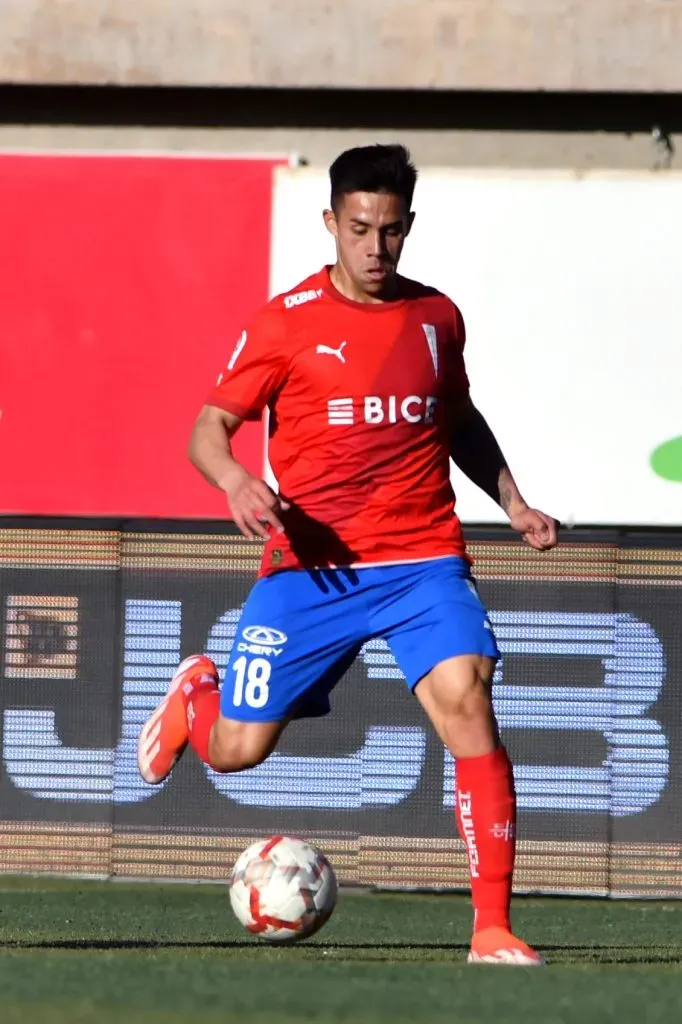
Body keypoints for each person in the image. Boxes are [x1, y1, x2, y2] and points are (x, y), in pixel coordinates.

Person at [137, 144, 558, 965]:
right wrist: (233, 481)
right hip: (311, 572)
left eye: (391, 231)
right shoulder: (286, 320)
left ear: (408, 229)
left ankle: (492, 928)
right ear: (331, 222)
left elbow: (458, 420)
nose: (375, 247)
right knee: (239, 752)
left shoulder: (437, 318)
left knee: (468, 699)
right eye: (359, 228)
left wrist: (512, 502)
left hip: (421, 560)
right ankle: (197, 699)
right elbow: (207, 430)